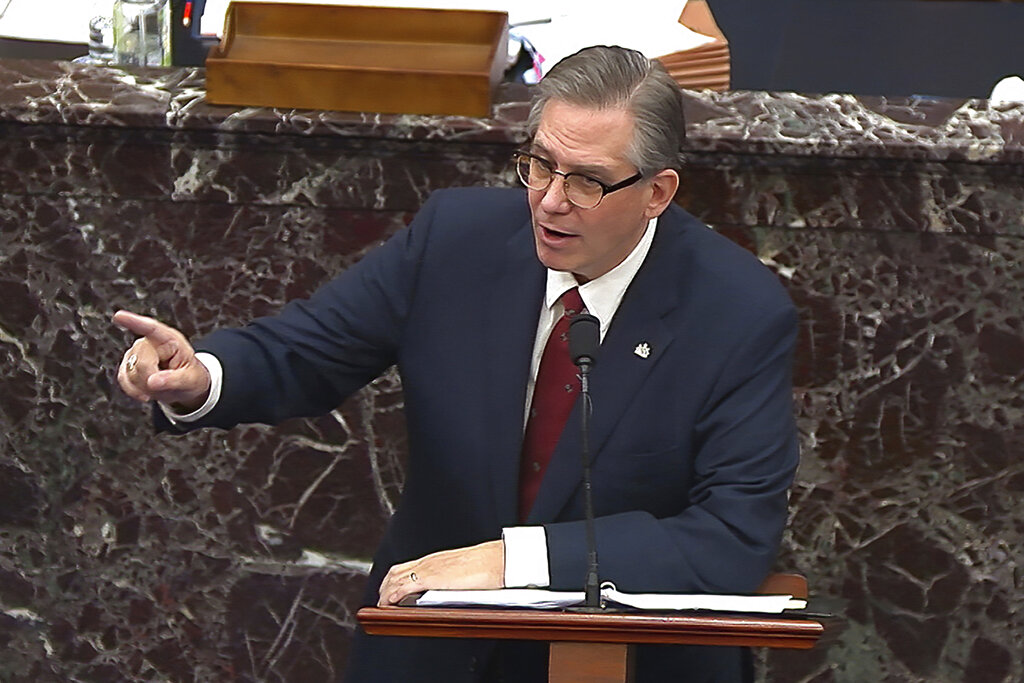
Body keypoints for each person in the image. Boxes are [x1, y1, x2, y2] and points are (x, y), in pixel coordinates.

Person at [114, 46, 798, 682]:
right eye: (540, 164)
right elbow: (308, 347)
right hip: (431, 650)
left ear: (657, 192)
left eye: (587, 181)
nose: (552, 200)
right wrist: (202, 374)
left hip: (628, 662)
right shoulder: (456, 239)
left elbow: (731, 535)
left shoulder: (737, 310)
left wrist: (515, 561)